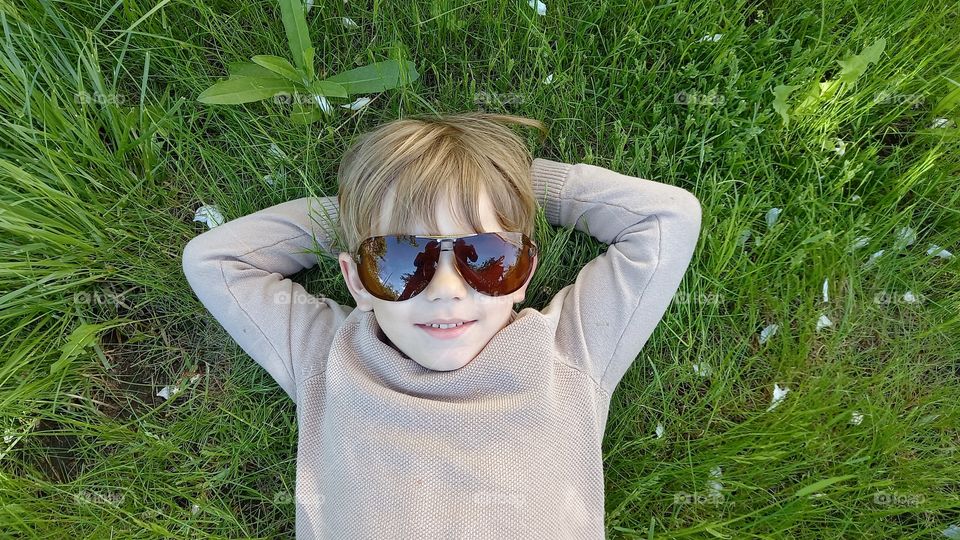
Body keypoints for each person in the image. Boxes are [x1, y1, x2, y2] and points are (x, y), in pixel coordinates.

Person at [181, 112, 702, 538]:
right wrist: (363, 206)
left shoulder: (568, 352)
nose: (448, 289)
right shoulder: (332, 356)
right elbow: (216, 260)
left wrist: (507, 186)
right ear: (356, 281)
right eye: (400, 257)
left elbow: (666, 217)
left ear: (525, 274)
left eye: (487, 257)